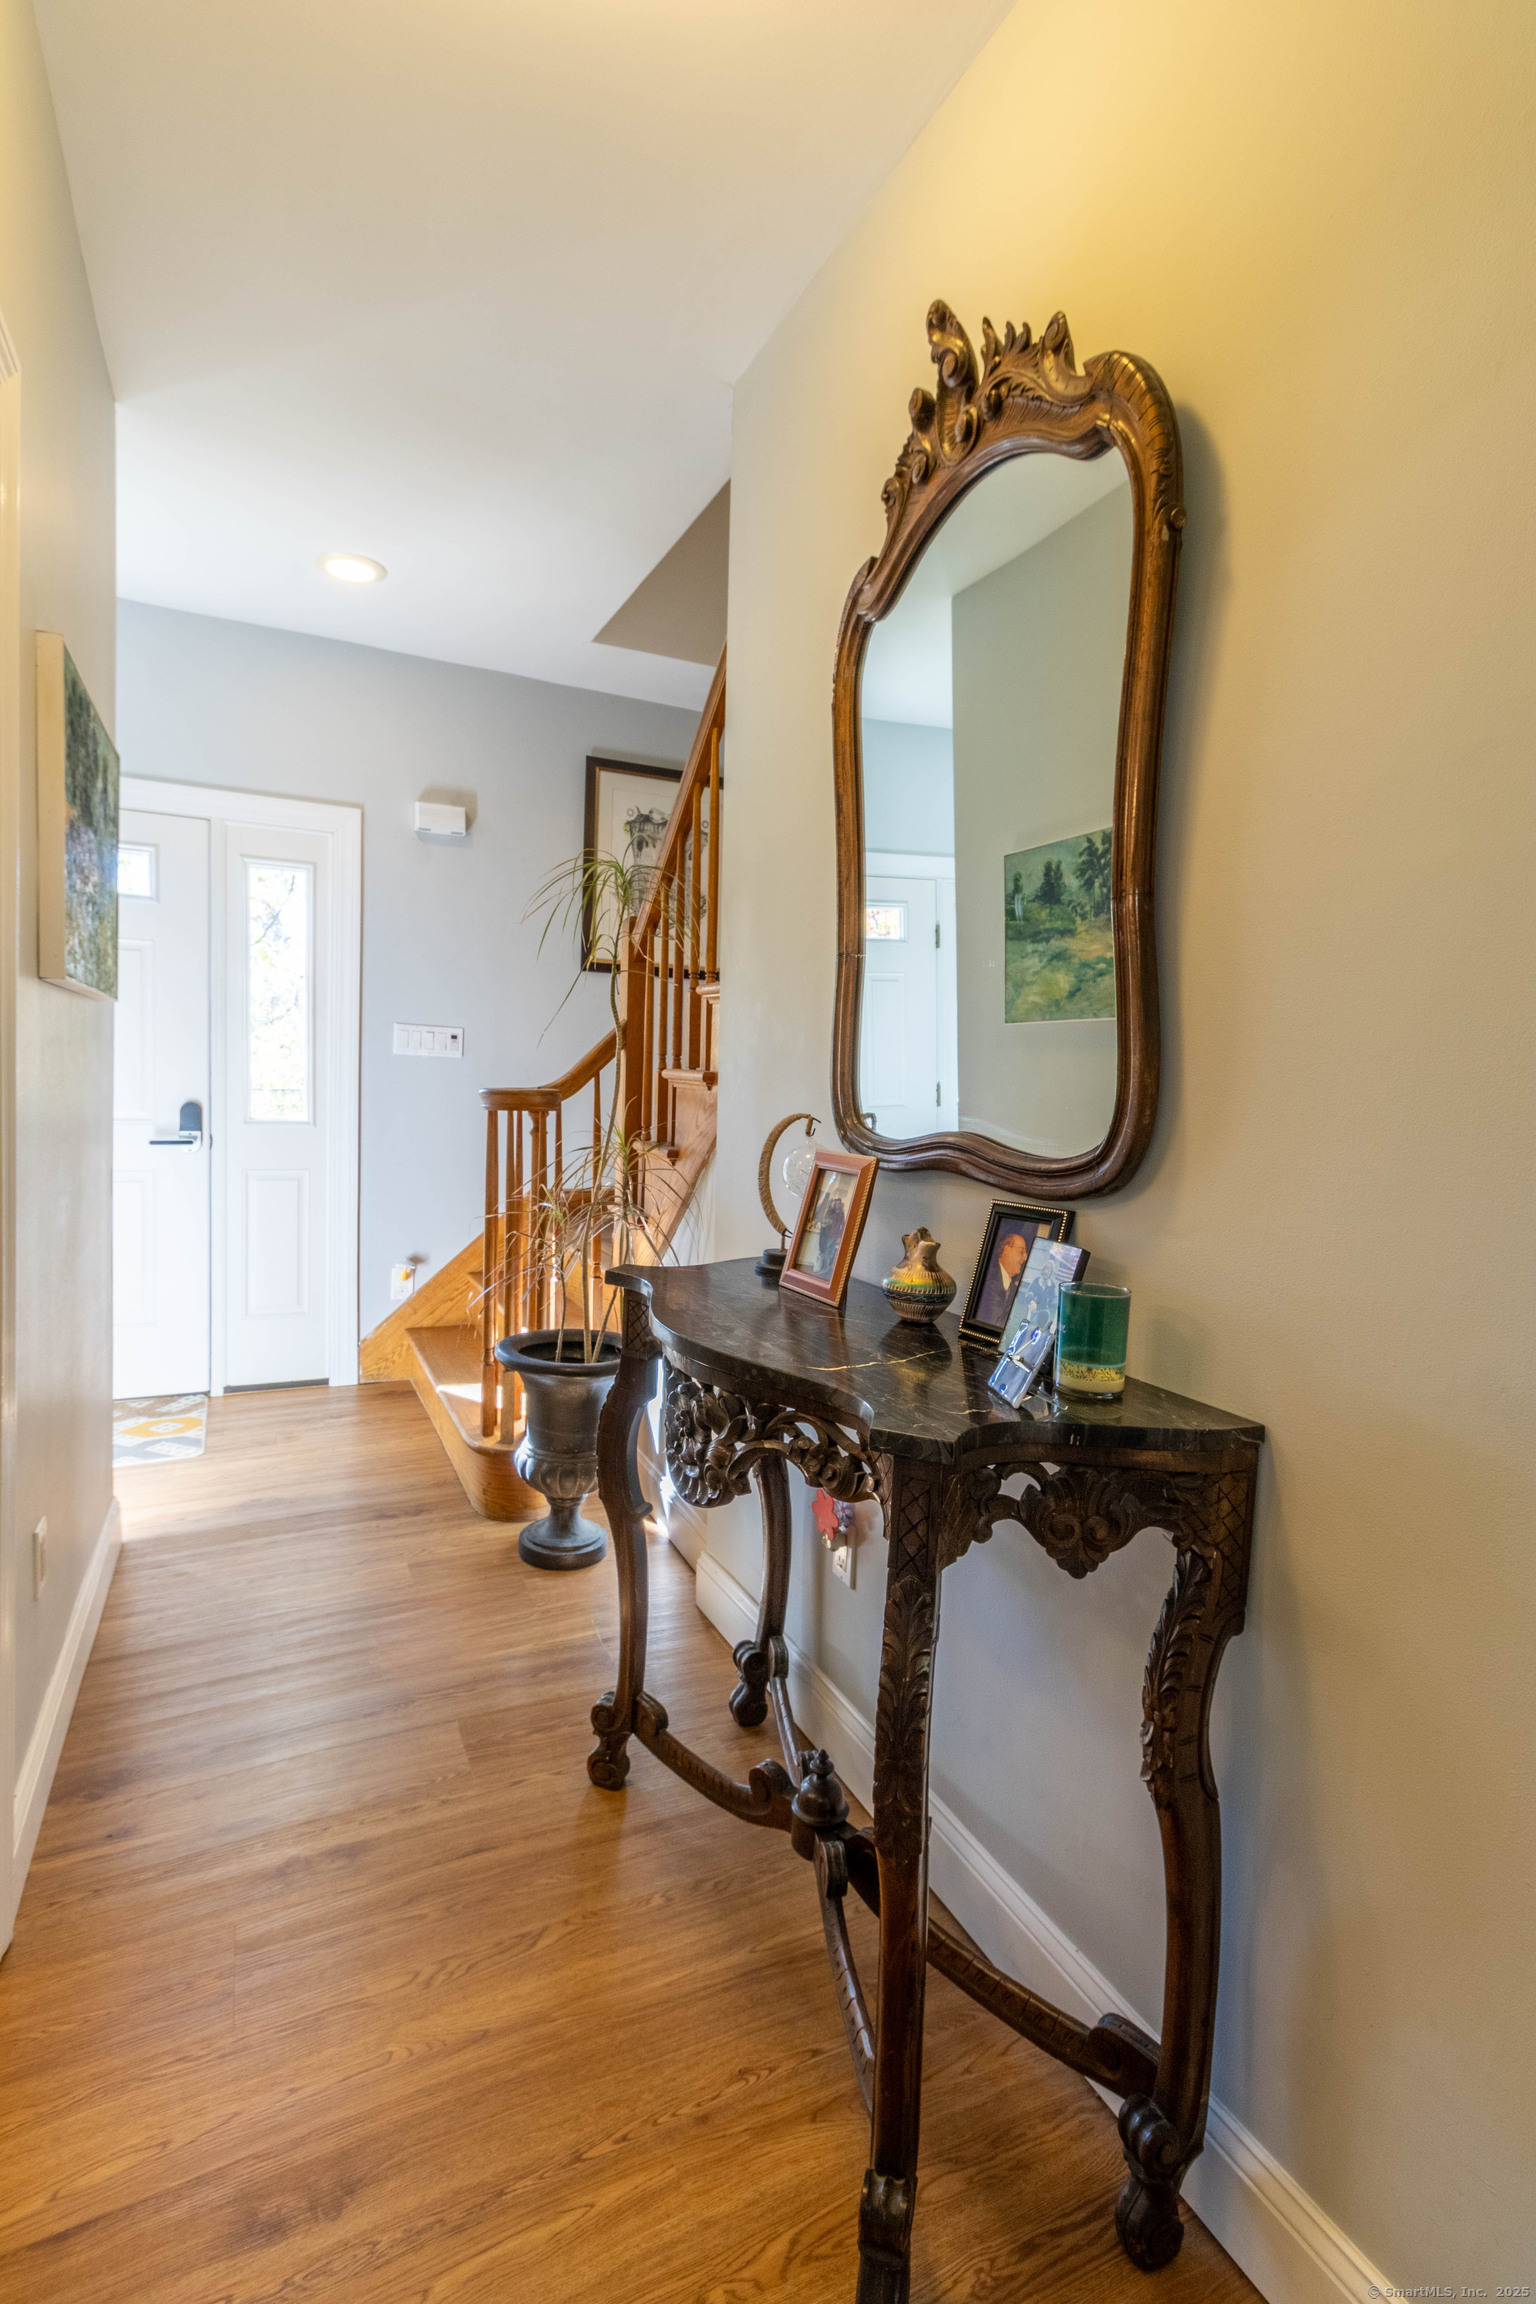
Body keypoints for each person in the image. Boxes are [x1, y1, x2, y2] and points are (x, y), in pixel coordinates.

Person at [974, 1224, 1035, 1329]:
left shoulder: (1011, 1283)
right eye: (1021, 1251)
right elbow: (995, 1323)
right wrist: (1026, 1310)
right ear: (1006, 1250)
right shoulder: (991, 1280)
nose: (1025, 1257)